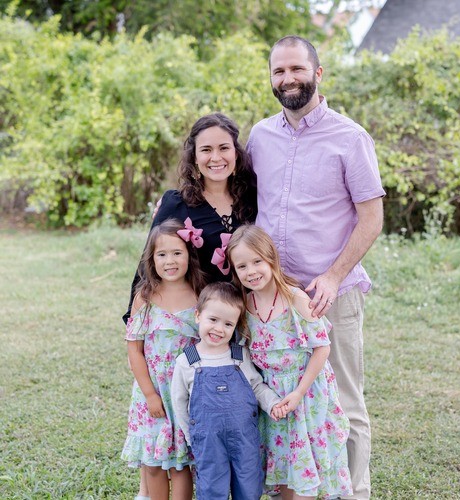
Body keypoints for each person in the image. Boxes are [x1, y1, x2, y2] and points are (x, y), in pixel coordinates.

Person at [246, 36, 385, 499]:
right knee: (282, 395)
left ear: (318, 73)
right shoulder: (260, 136)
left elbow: (372, 218)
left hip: (331, 294)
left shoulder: (350, 137)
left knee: (344, 400)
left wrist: (333, 275)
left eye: (297, 69)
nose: (288, 79)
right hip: (274, 297)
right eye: (279, 71)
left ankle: (354, 492)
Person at [226, 224, 352, 499]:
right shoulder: (244, 308)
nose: (251, 271)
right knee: (282, 464)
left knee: (306, 469)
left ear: (271, 258)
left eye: (257, 261)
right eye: (242, 266)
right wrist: (269, 399)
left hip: (306, 394)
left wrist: (298, 392)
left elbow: (322, 348)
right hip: (273, 400)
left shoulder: (295, 298)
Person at [123, 112, 257, 324]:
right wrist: (134, 326)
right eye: (206, 150)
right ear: (194, 156)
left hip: (250, 319)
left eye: (224, 148)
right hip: (199, 324)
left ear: (236, 153)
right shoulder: (176, 204)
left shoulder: (254, 200)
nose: (216, 157)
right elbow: (148, 268)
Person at [171, 282, 286, 500]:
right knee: (212, 487)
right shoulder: (187, 361)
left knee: (248, 485)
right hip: (208, 441)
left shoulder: (239, 355)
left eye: (228, 324)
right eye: (213, 320)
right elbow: (179, 402)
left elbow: (256, 386)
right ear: (198, 315)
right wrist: (191, 436)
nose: (219, 329)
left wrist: (272, 403)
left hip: (244, 438)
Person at [121, 218, 206, 500]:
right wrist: (149, 394)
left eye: (177, 253)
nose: (170, 261)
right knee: (154, 463)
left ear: (189, 255)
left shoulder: (199, 295)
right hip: (153, 391)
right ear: (152, 259)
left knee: (181, 463)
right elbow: (135, 349)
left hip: (186, 391)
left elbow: (206, 345)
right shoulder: (145, 297)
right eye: (162, 254)